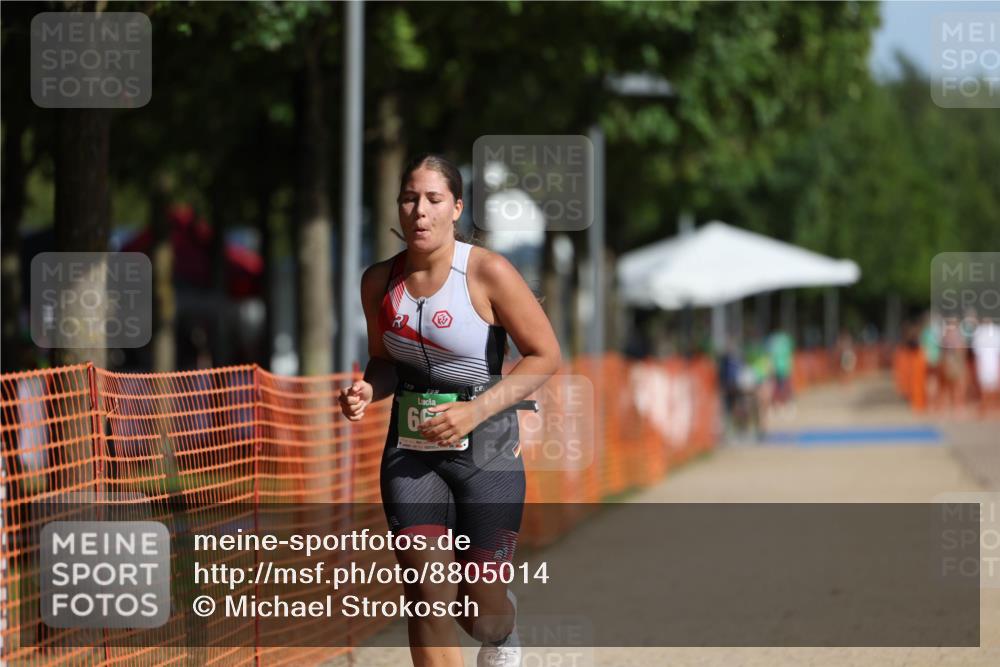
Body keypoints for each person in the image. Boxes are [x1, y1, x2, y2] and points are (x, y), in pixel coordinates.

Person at [338, 154, 561, 667]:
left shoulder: (487, 272)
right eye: (410, 198)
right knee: (424, 595)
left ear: (455, 208)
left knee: (477, 615)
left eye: (433, 199)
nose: (420, 210)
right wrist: (368, 391)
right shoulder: (378, 282)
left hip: (487, 453)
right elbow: (382, 361)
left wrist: (473, 411)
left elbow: (546, 355)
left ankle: (502, 631)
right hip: (411, 455)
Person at [972, 316, 1000, 416]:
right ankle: (985, 406)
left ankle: (994, 406)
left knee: (994, 385)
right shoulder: (980, 333)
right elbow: (977, 351)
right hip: (984, 362)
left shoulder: (996, 332)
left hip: (993, 361)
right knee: (984, 385)